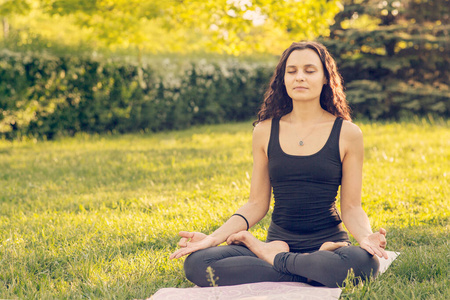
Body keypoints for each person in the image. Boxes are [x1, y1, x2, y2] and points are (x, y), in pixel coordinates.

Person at [169, 41, 388, 288]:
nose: (300, 77)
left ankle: (273, 259)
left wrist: (365, 238)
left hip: (329, 243)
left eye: (309, 70)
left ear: (326, 78)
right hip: (281, 240)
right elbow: (256, 204)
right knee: (198, 263)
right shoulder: (264, 131)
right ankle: (304, 266)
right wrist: (213, 238)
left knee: (362, 263)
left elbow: (351, 207)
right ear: (283, 79)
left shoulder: (347, 133)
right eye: (292, 71)